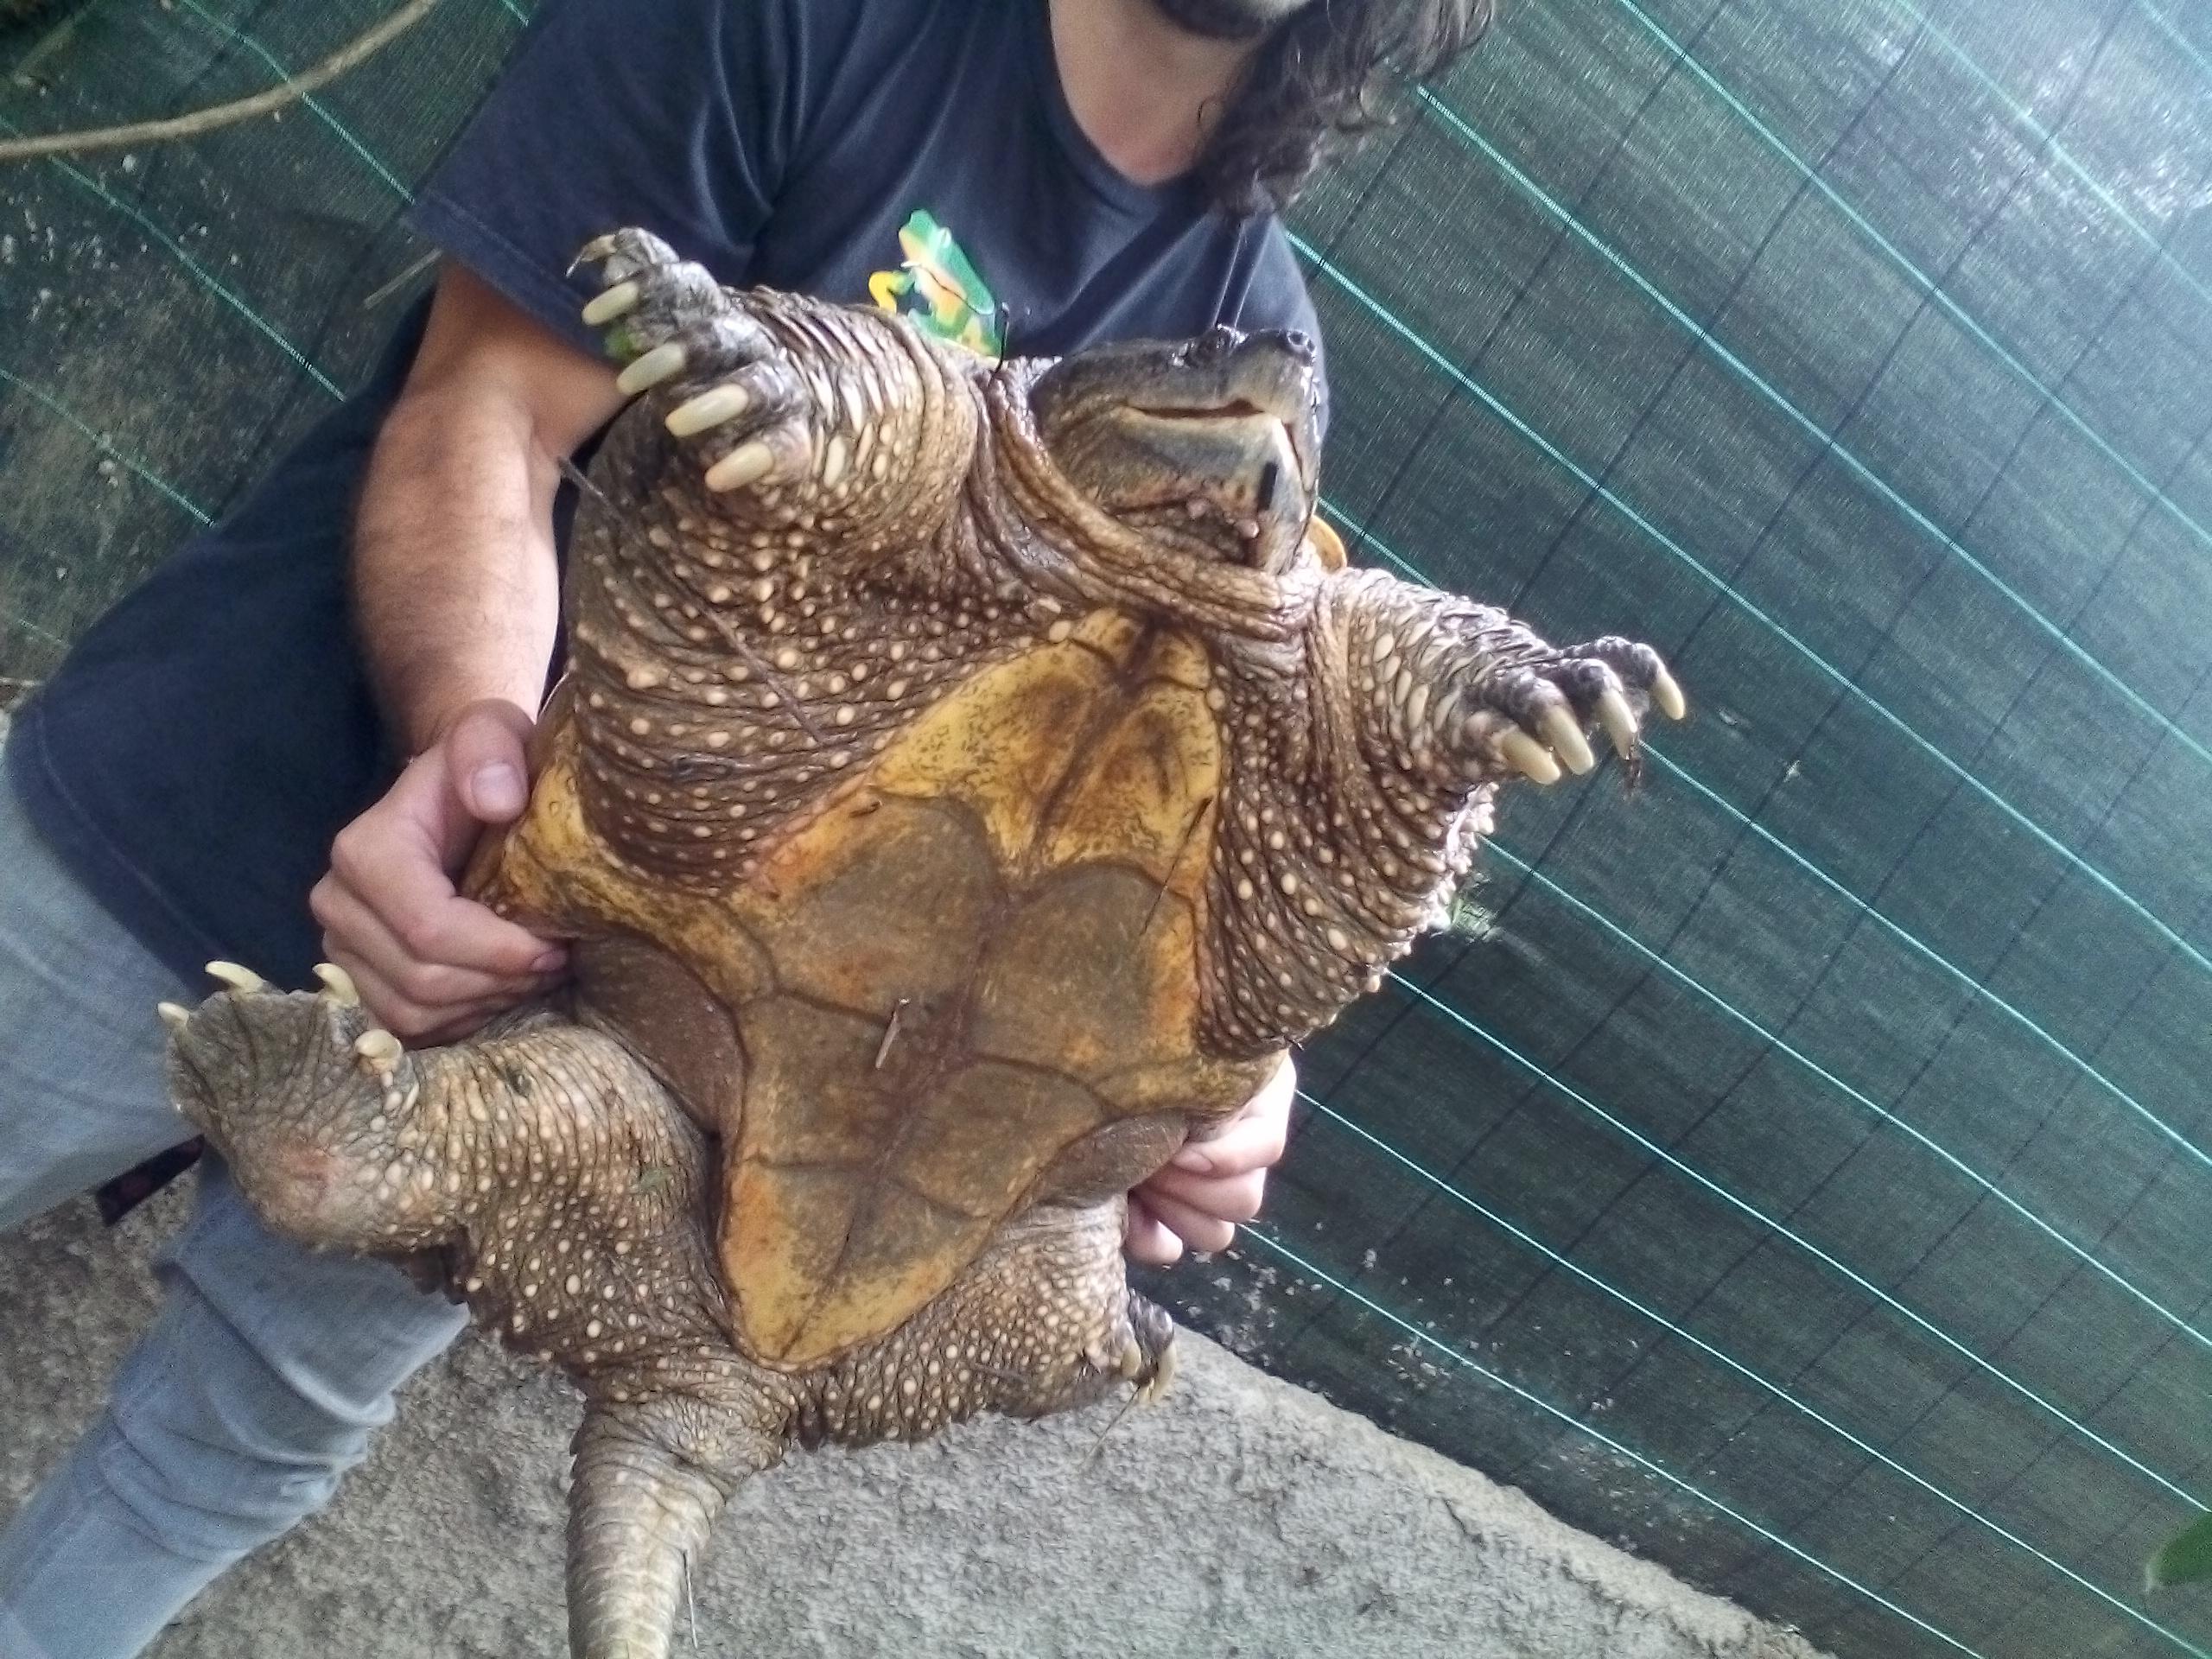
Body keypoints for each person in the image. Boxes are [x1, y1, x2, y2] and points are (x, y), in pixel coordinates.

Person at [0, 0, 1491, 1652]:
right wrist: (473, 773)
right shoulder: (793, 20)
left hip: (604, 1047)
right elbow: (493, 409)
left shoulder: (1252, 338)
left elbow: (1190, 780)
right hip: (221, 798)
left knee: (218, 1456)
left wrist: (1218, 1076)